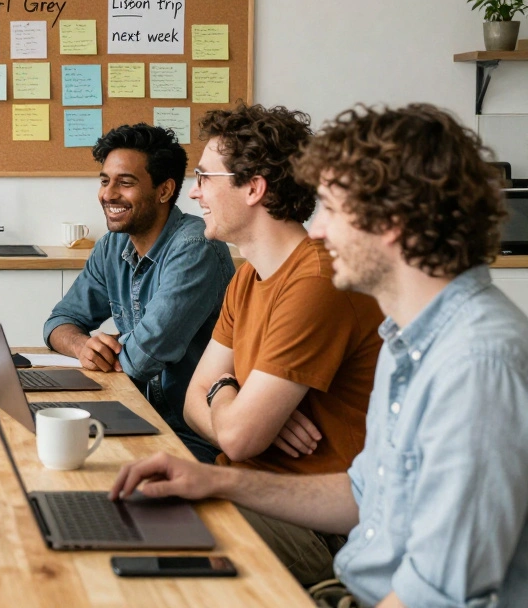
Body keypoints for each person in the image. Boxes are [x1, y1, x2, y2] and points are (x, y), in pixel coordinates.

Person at [113, 103, 528, 608]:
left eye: (332, 207)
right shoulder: (410, 335)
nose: (318, 230)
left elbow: (440, 594)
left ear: (391, 221)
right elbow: (363, 496)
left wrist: (227, 415)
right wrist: (214, 479)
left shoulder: (477, 364)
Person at [180, 103, 383, 586]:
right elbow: (192, 402)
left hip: (312, 525)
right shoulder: (247, 277)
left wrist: (225, 388)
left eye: (206, 177)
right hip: (251, 491)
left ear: (253, 187)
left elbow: (235, 434)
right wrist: (236, 401)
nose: (195, 192)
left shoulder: (315, 279)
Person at [44, 124, 234, 463]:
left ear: (164, 191)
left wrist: (112, 345)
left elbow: (140, 359)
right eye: (105, 181)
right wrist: (84, 346)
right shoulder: (111, 246)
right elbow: (59, 322)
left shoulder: (196, 248)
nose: (108, 194)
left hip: (188, 435)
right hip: (132, 414)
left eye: (125, 182)